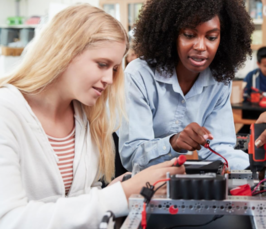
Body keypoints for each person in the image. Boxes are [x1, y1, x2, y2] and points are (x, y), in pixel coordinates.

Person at [0, 4, 185, 229]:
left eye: (115, 68)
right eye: (102, 64)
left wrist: (113, 191)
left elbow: (76, 202)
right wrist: (120, 195)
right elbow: (9, 220)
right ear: (64, 51)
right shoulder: (6, 112)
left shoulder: (85, 115)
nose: (109, 79)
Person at [119, 0, 254, 171]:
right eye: (189, 35)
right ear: (171, 35)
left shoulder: (219, 81)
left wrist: (256, 166)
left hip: (177, 177)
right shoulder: (139, 75)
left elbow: (219, 150)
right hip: (135, 180)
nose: (200, 46)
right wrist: (173, 143)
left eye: (211, 37)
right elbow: (133, 157)